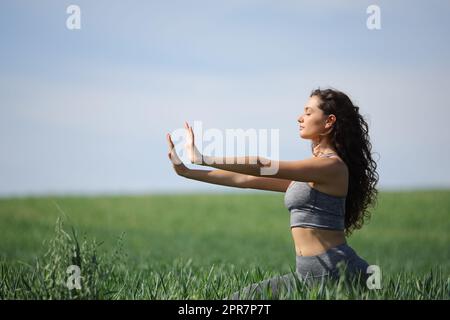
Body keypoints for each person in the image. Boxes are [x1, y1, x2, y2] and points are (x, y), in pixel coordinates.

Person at [166, 88, 379, 299]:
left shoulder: (331, 167)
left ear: (329, 121)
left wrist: (202, 157)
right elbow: (246, 180)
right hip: (306, 276)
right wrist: (188, 172)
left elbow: (262, 165)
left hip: (336, 273)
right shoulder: (312, 172)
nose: (299, 118)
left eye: (308, 112)